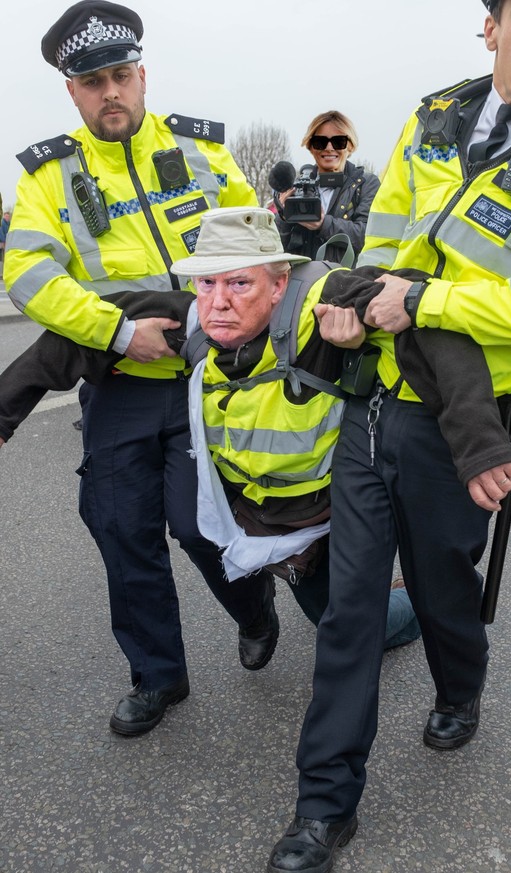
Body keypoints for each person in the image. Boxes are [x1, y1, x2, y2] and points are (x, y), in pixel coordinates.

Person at [267, 1, 511, 870]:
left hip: (467, 422)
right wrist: (352, 310)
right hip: (373, 401)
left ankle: (461, 685)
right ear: (493, 27)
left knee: (444, 580)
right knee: (353, 606)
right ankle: (325, 805)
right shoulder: (435, 117)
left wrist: (427, 303)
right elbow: (386, 243)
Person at [3, 0, 265, 738]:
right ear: (72, 91)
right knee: (123, 530)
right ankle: (158, 676)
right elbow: (27, 273)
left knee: (200, 524)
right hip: (118, 384)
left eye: (121, 75)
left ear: (142, 76)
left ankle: (255, 608)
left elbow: (256, 245)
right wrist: (116, 333)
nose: (110, 92)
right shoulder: (48, 178)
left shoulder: (202, 152)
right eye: (93, 82)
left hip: (206, 378)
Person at [0, 205, 422, 653]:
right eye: (207, 282)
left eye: (240, 283)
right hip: (285, 518)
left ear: (279, 284)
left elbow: (415, 298)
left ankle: (429, 600)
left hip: (349, 505)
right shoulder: (197, 317)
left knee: (357, 630)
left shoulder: (323, 301)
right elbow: (72, 341)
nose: (220, 301)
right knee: (327, 614)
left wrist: (478, 448)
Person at [274, 111, 380, 263]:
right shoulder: (297, 188)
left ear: (350, 146)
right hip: (301, 279)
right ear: (310, 147)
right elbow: (275, 248)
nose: (329, 148)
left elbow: (369, 236)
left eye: (338, 141)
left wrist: (324, 224)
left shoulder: (366, 184)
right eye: (320, 142)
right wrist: (283, 217)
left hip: (346, 280)